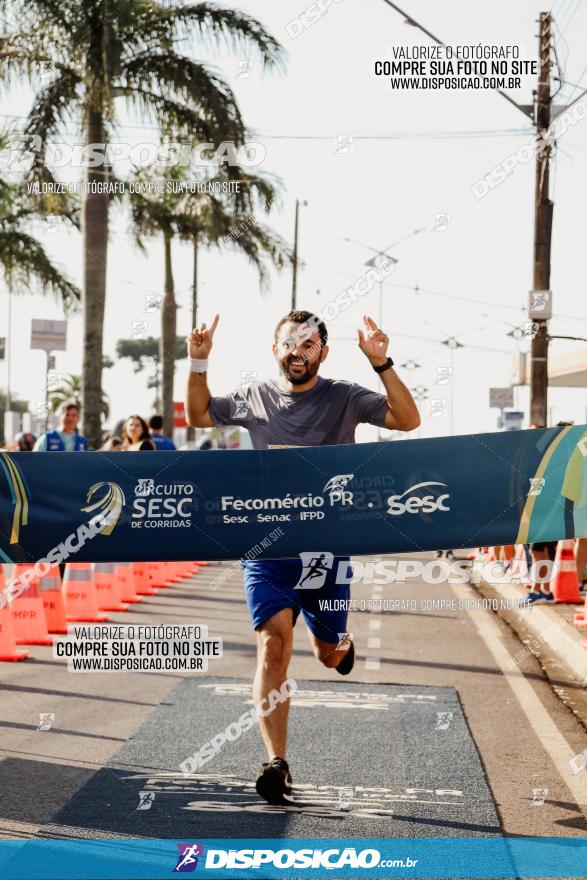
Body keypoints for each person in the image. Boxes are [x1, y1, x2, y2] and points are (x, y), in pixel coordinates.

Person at [185, 309, 420, 805]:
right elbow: (199, 415)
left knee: (327, 653)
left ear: (322, 353)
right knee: (274, 645)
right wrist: (199, 364)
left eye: (308, 344)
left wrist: (382, 363)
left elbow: (407, 420)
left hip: (327, 551)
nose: (298, 351)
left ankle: (341, 644)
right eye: (289, 343)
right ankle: (277, 762)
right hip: (268, 549)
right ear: (276, 351)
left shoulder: (345, 396)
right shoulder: (254, 397)